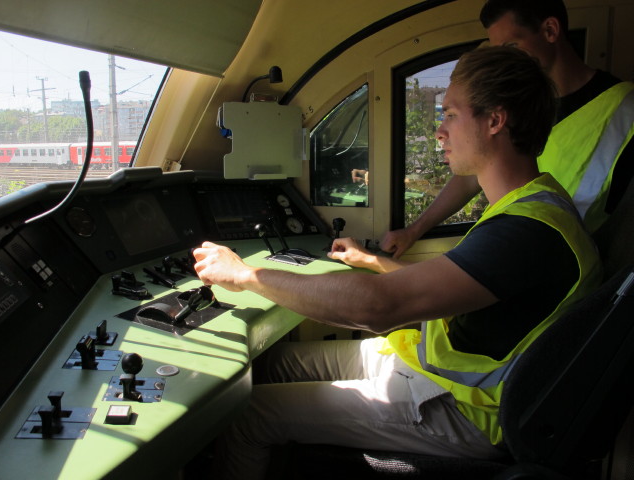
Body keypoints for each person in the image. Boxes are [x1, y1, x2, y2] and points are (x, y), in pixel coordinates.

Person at [193, 46, 602, 480]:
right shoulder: (530, 203)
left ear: (495, 121)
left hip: (465, 409)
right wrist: (372, 260)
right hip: (424, 365)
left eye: (450, 114)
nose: (439, 130)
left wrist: (244, 274)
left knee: (249, 413)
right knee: (274, 366)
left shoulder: (526, 231)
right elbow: (456, 285)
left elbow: (376, 307)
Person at [381, 0, 634, 258]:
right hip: (522, 246)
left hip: (560, 262)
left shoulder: (624, 110)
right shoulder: (513, 106)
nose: (503, 60)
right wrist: (414, 230)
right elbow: (477, 165)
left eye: (512, 46)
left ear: (550, 30)